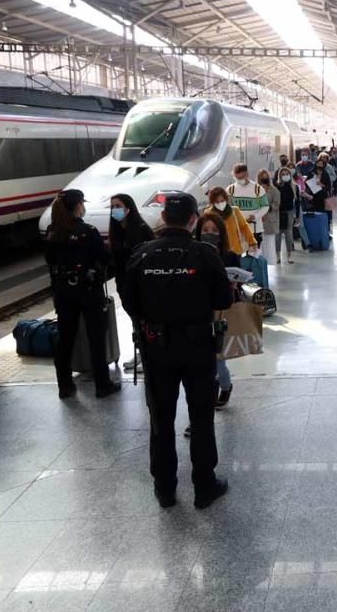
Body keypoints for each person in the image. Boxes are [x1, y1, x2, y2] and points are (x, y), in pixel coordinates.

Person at [123, 192, 231, 509]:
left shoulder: (142, 255)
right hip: (198, 347)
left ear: (163, 219)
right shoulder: (205, 254)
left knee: (161, 419)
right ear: (194, 219)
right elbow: (223, 301)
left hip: (156, 348)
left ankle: (165, 488)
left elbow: (129, 301)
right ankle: (204, 486)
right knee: (200, 418)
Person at [43, 189, 118, 399]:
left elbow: (49, 260)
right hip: (88, 290)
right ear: (78, 206)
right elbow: (103, 258)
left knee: (65, 338)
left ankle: (65, 386)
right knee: (96, 337)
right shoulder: (88, 231)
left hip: (63, 292)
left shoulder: (52, 232)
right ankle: (103, 385)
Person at [194, 213, 241, 409]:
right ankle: (210, 397)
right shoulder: (193, 254)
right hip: (198, 312)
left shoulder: (229, 255)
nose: (209, 234)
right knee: (207, 360)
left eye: (214, 230)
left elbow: (238, 278)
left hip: (221, 313)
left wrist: (232, 284)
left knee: (218, 359)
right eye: (205, 230)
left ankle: (225, 385)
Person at [108, 193, 155, 373]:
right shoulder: (117, 231)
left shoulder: (141, 228)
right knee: (135, 320)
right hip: (124, 283)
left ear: (128, 208)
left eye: (118, 205)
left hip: (141, 283)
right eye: (112, 206)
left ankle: (147, 355)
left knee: (144, 320)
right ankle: (141, 353)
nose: (115, 210)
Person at [205, 187, 258, 257]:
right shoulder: (209, 214)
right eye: (217, 202)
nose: (220, 203)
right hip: (217, 252)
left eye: (222, 201)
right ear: (213, 202)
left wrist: (252, 242)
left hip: (235, 251)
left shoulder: (234, 211)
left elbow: (244, 227)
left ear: (226, 199)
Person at [226, 163, 269, 234]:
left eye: (242, 177)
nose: (240, 180)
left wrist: (255, 216)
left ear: (247, 174)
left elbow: (265, 206)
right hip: (238, 229)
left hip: (255, 229)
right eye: (238, 178)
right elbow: (227, 208)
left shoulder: (257, 189)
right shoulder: (230, 190)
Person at [274, 164, 301, 263]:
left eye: (287, 174)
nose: (285, 176)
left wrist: (297, 215)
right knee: (277, 234)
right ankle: (277, 255)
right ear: (280, 176)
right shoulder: (276, 186)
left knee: (289, 234)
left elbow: (297, 202)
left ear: (290, 175)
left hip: (289, 213)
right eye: (283, 174)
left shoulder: (295, 187)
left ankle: (289, 255)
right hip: (278, 213)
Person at [257, 169, 281, 265]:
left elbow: (276, 204)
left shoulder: (274, 190)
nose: (264, 178)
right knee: (260, 243)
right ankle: (260, 262)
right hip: (258, 219)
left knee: (270, 243)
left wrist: (266, 210)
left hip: (270, 219)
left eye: (265, 176)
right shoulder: (255, 189)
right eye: (262, 176)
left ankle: (270, 262)